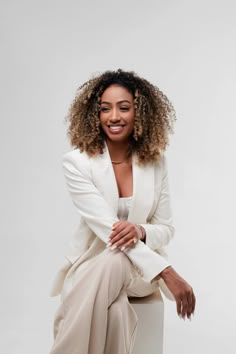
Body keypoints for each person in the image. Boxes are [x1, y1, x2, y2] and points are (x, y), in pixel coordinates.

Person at [49, 69, 196, 354]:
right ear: (95, 114)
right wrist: (167, 271)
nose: (113, 117)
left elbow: (165, 228)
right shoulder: (77, 163)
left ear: (139, 113)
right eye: (105, 109)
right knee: (116, 313)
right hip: (94, 267)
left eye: (123, 108)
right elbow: (109, 230)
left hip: (140, 275)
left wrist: (141, 231)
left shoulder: (155, 162)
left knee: (117, 255)